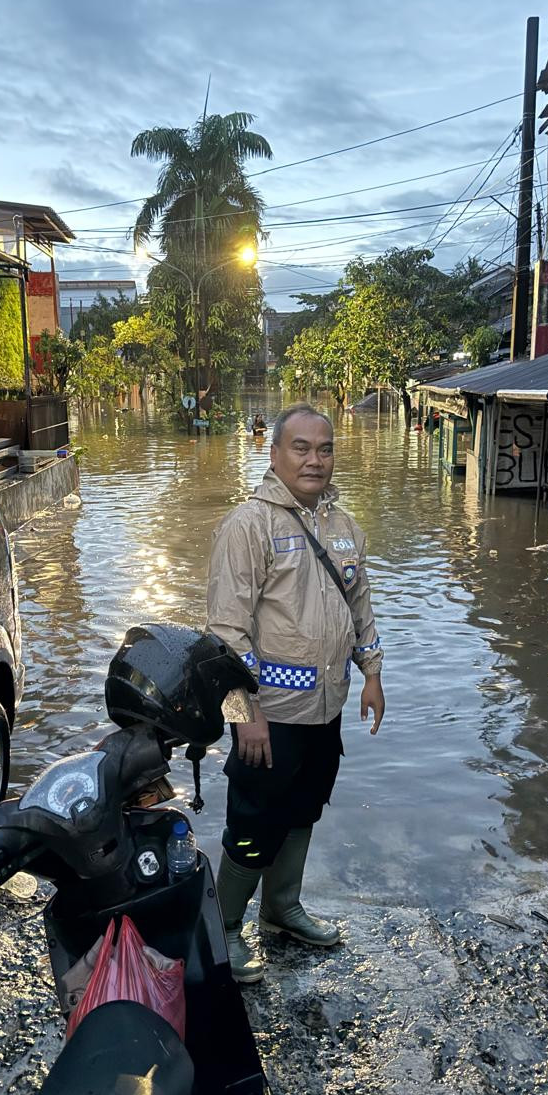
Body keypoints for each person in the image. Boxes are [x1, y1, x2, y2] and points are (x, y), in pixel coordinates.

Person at [206, 403, 385, 983]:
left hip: (324, 710)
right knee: (254, 822)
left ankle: (281, 910)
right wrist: (244, 713)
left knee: (304, 810)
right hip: (269, 716)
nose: (314, 459)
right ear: (275, 453)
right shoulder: (248, 526)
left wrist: (373, 675)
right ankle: (225, 929)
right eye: (301, 448)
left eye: (325, 448)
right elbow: (225, 636)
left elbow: (360, 608)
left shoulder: (344, 527)